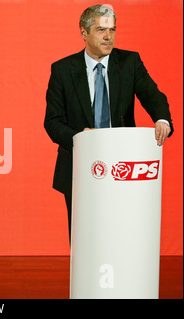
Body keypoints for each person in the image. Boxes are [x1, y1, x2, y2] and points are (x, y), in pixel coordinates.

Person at [44, 4, 173, 240]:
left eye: (112, 30)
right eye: (101, 30)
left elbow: (152, 95)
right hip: (79, 167)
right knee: (85, 238)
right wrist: (81, 138)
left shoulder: (129, 62)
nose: (108, 36)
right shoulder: (62, 70)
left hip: (123, 166)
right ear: (84, 33)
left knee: (121, 236)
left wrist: (161, 118)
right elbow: (52, 122)